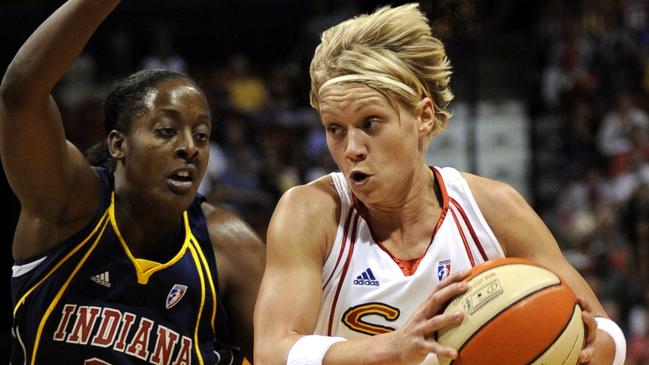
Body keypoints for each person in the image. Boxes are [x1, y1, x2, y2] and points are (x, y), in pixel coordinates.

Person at [254, 4, 626, 365]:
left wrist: (587, 347)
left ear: (424, 117)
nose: (352, 149)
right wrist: (392, 350)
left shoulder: (491, 208)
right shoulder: (310, 212)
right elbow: (272, 352)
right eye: (335, 129)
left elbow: (609, 332)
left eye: (370, 123)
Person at [0, 0, 264, 364]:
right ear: (118, 143)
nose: (190, 147)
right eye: (167, 131)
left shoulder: (231, 247)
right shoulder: (71, 202)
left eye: (202, 135)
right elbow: (20, 93)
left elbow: (280, 353)